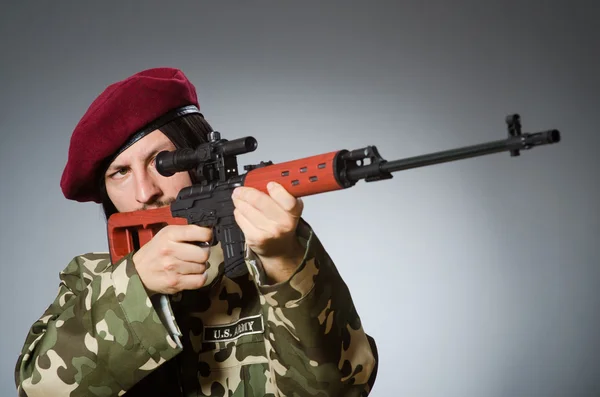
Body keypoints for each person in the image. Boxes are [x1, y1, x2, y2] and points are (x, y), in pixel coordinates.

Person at [14, 67, 378, 396]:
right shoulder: (91, 281)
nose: (145, 192)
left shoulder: (270, 257)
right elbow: (37, 390)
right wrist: (136, 286)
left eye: (162, 163)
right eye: (120, 173)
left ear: (198, 161)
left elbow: (340, 389)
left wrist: (284, 264)